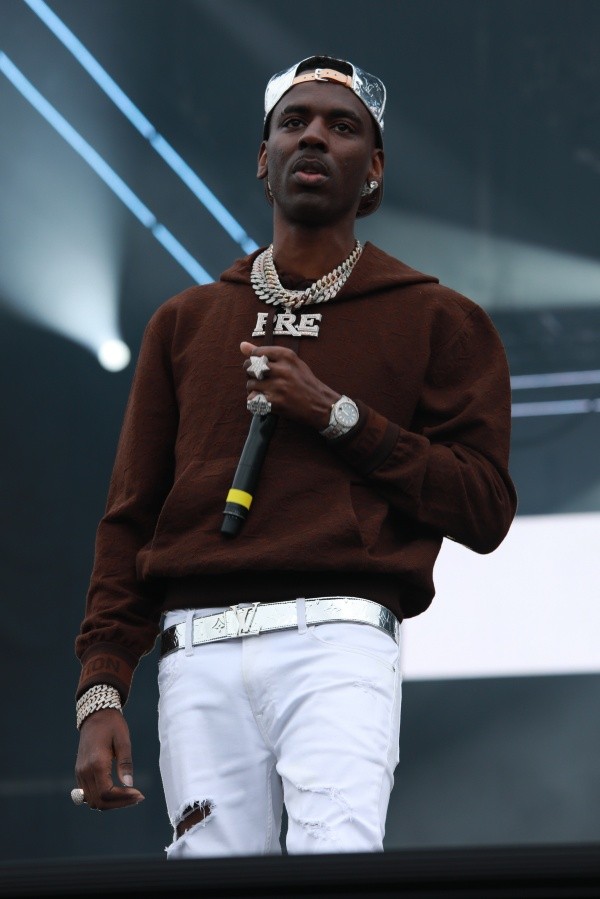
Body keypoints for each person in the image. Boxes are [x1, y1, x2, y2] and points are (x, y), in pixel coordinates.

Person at [72, 55, 518, 858]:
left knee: (336, 860)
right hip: (195, 645)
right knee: (209, 869)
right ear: (263, 156)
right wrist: (102, 686)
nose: (313, 135)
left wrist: (338, 415)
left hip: (337, 635)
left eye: (341, 126)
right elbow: (130, 518)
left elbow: (483, 506)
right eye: (294, 122)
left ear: (373, 168)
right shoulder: (186, 322)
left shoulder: (437, 319)